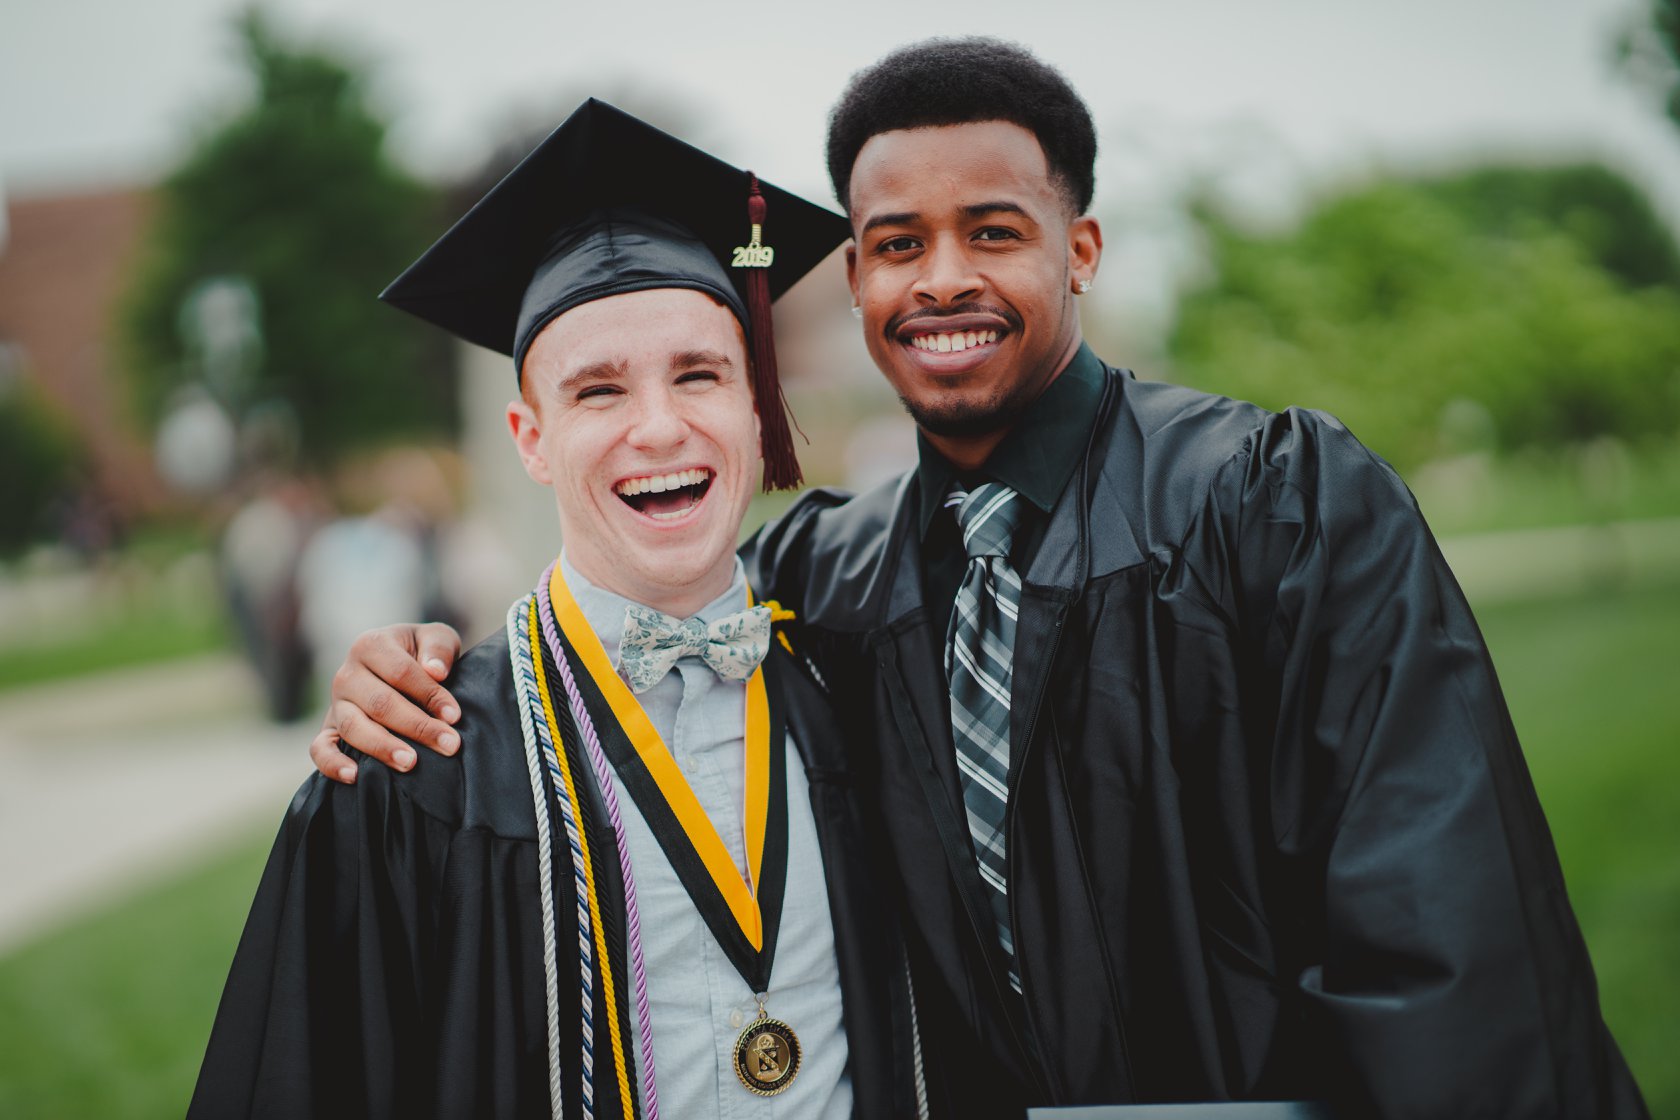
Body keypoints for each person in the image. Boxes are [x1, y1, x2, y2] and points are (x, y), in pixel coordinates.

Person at [310, 41, 1648, 1119]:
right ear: (857, 273)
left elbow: (1442, 941)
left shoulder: (1273, 506)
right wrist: (428, 672)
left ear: (1081, 250)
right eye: (895, 244)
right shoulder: (825, 579)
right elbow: (631, 603)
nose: (941, 278)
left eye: (994, 232)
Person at [192, 100, 927, 1119]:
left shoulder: (868, 682)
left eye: (699, 374)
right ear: (530, 438)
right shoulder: (415, 764)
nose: (660, 426)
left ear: (757, 403)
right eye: (598, 392)